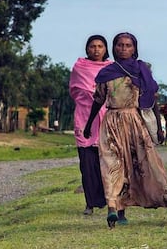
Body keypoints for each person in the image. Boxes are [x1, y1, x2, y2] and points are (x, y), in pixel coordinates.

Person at [83, 32, 167, 229]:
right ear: (114, 48)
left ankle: (125, 207)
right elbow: (98, 100)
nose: (123, 49)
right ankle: (113, 207)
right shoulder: (107, 73)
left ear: (134, 48)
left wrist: (158, 127)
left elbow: (152, 101)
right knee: (112, 164)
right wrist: (89, 125)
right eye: (120, 45)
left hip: (135, 122)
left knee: (135, 166)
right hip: (112, 122)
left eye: (128, 45)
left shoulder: (142, 70)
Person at [69, 34, 112, 215]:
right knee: (87, 164)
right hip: (84, 117)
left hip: (107, 118)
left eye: (100, 46)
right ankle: (90, 203)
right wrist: (90, 95)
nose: (96, 50)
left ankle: (109, 199)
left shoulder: (111, 68)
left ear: (105, 49)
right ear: (87, 48)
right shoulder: (79, 67)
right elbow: (74, 91)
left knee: (108, 163)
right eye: (92, 46)